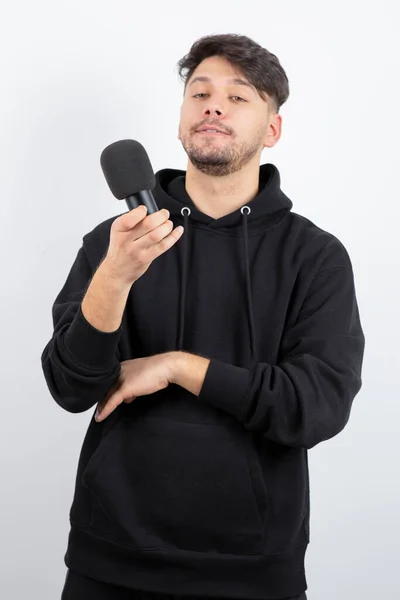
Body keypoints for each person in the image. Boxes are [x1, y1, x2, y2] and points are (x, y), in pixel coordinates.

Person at [41, 33, 365, 600]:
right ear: (181, 117)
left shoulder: (314, 257)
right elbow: (71, 387)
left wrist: (178, 367)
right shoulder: (117, 243)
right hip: (109, 561)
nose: (213, 105)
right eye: (200, 92)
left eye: (239, 97)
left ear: (273, 130)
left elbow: (315, 407)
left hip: (254, 570)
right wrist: (115, 277)